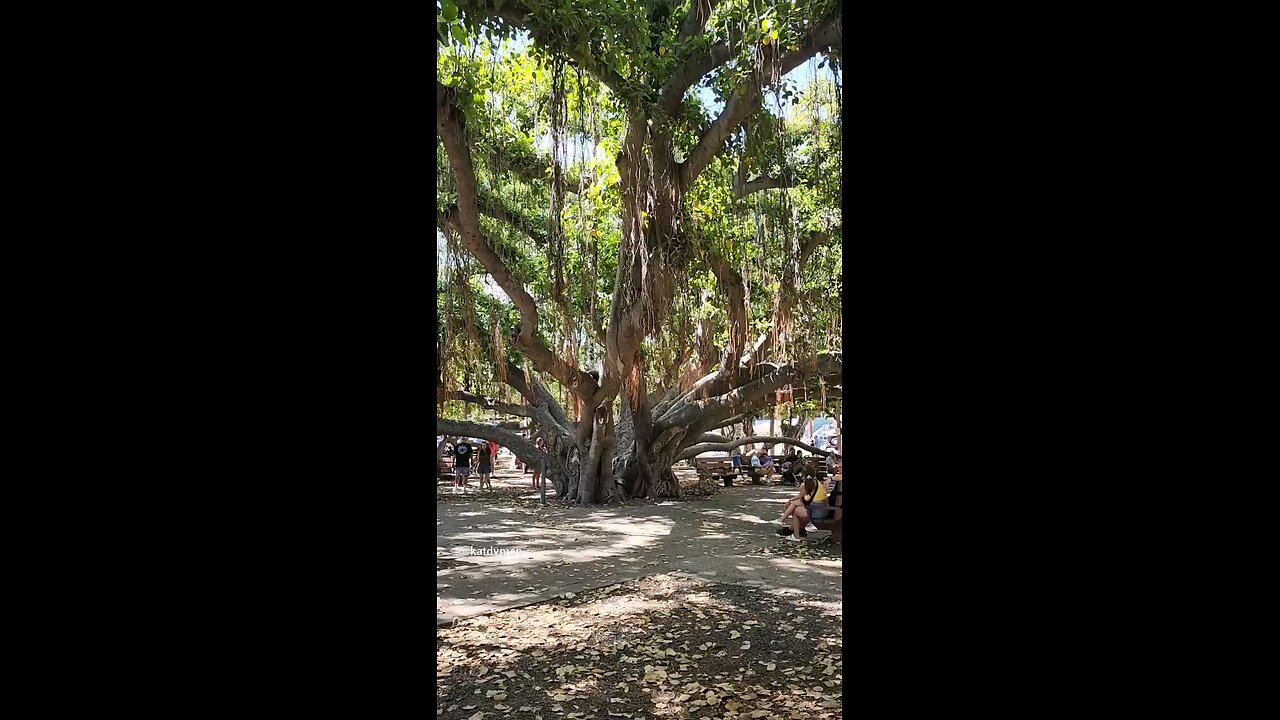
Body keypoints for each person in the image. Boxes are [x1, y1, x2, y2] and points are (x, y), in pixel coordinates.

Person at [776, 471, 831, 540]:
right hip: (821, 509)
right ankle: (794, 528)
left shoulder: (805, 486)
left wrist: (791, 501)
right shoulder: (817, 483)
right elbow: (805, 500)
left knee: (796, 510)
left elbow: (803, 500)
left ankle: (795, 535)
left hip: (817, 511)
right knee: (796, 506)